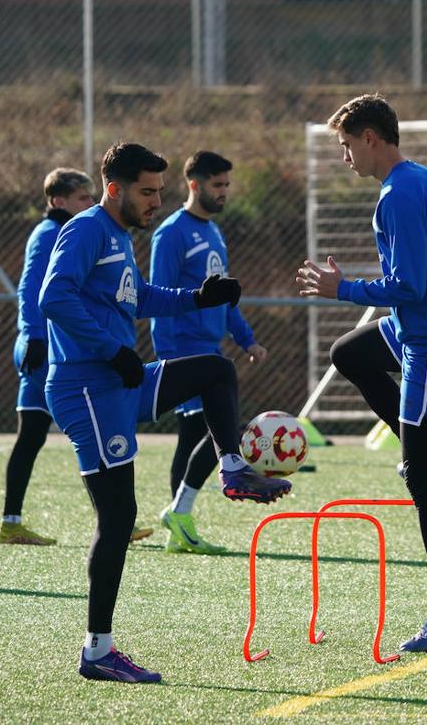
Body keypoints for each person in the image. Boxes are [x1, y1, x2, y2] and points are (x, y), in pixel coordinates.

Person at [41, 142, 291, 683]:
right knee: (118, 519)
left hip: (119, 378)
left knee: (214, 369)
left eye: (160, 190)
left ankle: (231, 466)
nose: (157, 201)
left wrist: (198, 298)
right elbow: (53, 298)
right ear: (115, 189)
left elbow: (140, 297)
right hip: (89, 386)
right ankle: (97, 651)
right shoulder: (86, 230)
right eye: (147, 191)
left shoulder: (117, 237)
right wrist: (110, 350)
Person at [296, 94, 427, 651]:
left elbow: (409, 287)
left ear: (372, 138)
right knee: (349, 354)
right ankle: (419, 443)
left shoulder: (398, 195)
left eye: (347, 144)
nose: (345, 155)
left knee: (424, 481)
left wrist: (343, 289)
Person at [150, 150, 268, 555]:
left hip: (212, 350)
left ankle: (178, 518)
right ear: (194, 184)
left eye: (226, 186)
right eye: (217, 185)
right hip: (183, 349)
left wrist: (246, 338)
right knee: (207, 433)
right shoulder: (170, 234)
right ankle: (179, 515)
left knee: (197, 434)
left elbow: (224, 298)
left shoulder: (214, 233)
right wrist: (167, 355)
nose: (224, 193)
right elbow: (158, 297)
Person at [0, 168, 97, 546]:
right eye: (83, 198)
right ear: (58, 201)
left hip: (47, 346)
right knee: (86, 430)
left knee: (36, 436)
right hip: (45, 348)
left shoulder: (65, 232)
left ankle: (11, 523)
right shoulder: (50, 233)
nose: (90, 203)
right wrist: (35, 336)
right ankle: (114, 515)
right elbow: (29, 287)